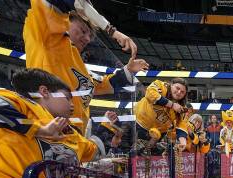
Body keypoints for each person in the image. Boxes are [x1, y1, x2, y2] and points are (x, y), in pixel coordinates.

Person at [23, 0, 148, 133]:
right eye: (83, 30)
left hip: (74, 137)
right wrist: (111, 31)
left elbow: (100, 86)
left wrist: (128, 71)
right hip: (51, 133)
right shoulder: (46, 37)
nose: (87, 39)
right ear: (65, 21)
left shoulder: (77, 62)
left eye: (90, 36)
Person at [133, 78, 189, 153]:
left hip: (158, 135)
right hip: (139, 124)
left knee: (148, 156)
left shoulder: (182, 107)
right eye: (177, 88)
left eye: (182, 92)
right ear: (171, 85)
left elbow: (182, 125)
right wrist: (172, 105)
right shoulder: (161, 85)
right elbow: (150, 93)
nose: (179, 92)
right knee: (135, 153)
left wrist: (183, 142)